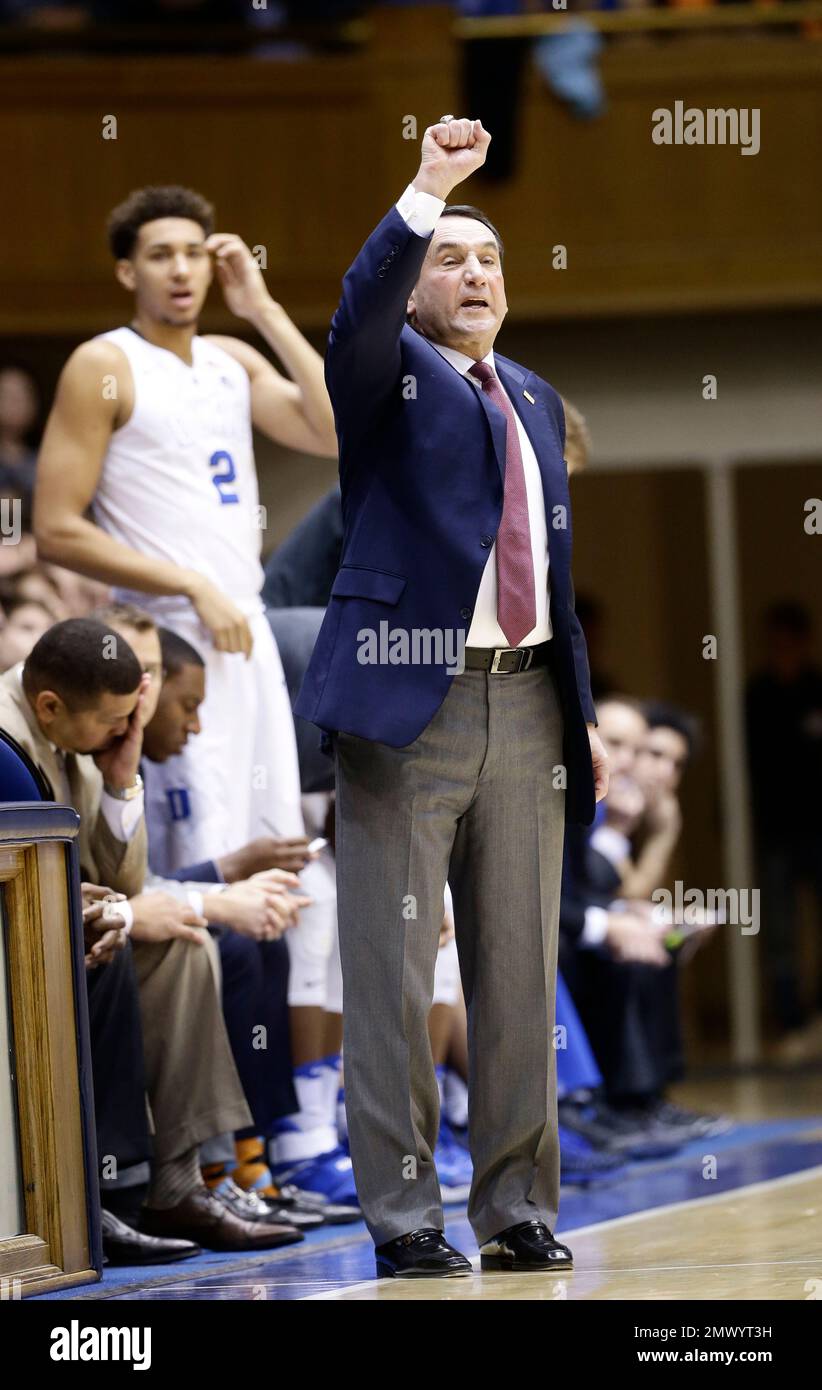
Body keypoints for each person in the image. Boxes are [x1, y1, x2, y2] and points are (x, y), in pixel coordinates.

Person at [295, 116, 608, 1278]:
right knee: (388, 967)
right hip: (402, 704)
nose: (474, 274)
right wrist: (426, 191)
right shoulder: (382, 376)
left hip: (527, 705)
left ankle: (519, 1205)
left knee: (521, 973)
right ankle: (406, 1217)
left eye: (490, 262)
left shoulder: (530, 395)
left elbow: (556, 578)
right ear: (416, 290)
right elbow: (359, 307)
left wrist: (578, 720)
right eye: (451, 259)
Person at [33, 182, 338, 871]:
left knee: (269, 843)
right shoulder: (104, 363)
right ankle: (192, 977)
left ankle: (265, 980)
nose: (180, 269)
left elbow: (334, 432)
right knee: (198, 853)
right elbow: (54, 528)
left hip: (243, 625)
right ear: (127, 272)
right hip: (161, 637)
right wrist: (192, 584)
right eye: (161, 254)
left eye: (194, 253)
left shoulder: (233, 359)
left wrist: (262, 308)